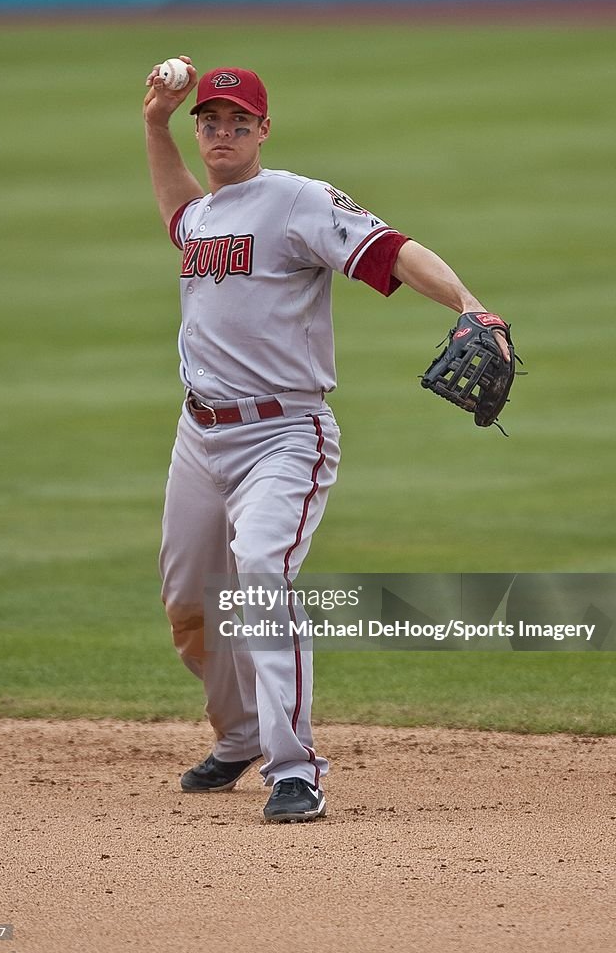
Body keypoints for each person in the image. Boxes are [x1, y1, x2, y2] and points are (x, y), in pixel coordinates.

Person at [143, 56, 510, 824]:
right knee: (187, 603)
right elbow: (179, 217)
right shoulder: (206, 217)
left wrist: (472, 305)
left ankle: (295, 768)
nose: (222, 132)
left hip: (284, 435)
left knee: (259, 572)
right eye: (209, 121)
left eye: (238, 122)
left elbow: (392, 250)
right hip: (198, 437)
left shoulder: (297, 201)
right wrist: (154, 124)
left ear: (263, 130)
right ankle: (240, 735)